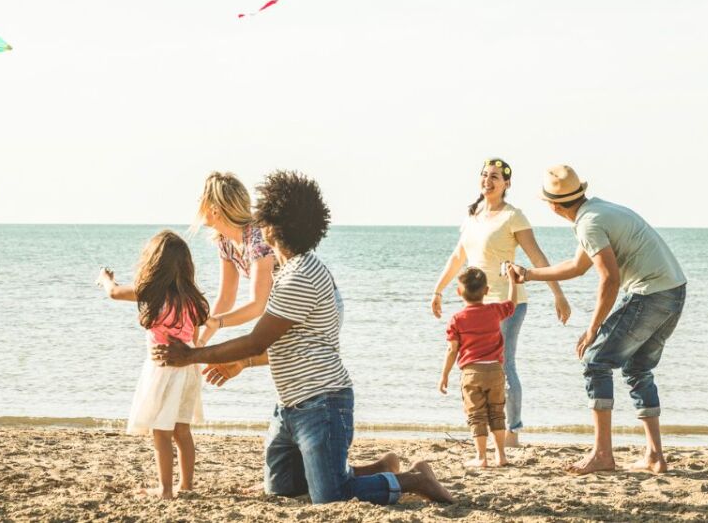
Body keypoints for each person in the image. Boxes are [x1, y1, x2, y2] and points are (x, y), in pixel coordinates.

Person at [155, 170, 453, 505]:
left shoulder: (296, 275)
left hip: (321, 403)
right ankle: (378, 468)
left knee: (331, 496)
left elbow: (257, 339)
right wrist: (222, 348)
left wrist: (193, 355)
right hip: (290, 407)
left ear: (270, 227)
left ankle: (413, 479)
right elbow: (275, 341)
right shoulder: (281, 267)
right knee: (282, 489)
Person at [507, 165, 687, 475]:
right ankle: (655, 457)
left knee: (595, 361)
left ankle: (603, 454)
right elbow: (578, 267)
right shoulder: (595, 213)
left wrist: (593, 329)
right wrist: (528, 275)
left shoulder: (589, 223)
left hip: (650, 294)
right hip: (673, 291)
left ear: (552, 204)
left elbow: (610, 279)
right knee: (637, 368)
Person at [431, 157, 572, 447]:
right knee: (475, 365)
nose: (488, 180)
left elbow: (536, 257)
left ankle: (512, 433)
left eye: (495, 176)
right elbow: (458, 257)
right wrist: (438, 290)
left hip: (507, 304)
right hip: (476, 306)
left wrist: (557, 294)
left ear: (506, 184)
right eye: (484, 175)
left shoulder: (513, 216)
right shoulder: (472, 216)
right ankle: (485, 430)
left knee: (504, 364)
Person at [97, 231, 210, 499]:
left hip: (162, 370)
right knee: (182, 430)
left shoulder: (151, 293)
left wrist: (105, 278)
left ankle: (166, 490)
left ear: (154, 264)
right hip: (188, 370)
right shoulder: (192, 300)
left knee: (161, 430)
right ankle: (186, 485)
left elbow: (113, 293)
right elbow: (193, 338)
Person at [438, 266, 517, 468]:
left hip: (472, 373)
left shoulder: (457, 319)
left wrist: (444, 375)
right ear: (487, 290)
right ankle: (501, 455)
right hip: (496, 371)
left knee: (477, 415)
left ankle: (481, 457)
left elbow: (452, 350)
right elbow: (512, 304)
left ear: (459, 292)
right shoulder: (494, 311)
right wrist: (512, 281)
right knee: (497, 412)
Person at [192, 172, 276, 345]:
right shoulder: (225, 241)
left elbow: (257, 306)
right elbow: (225, 298)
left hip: (313, 304)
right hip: (288, 308)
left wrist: (219, 322)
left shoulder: (257, 239)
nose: (198, 202)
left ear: (215, 209)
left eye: (202, 198)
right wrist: (200, 342)